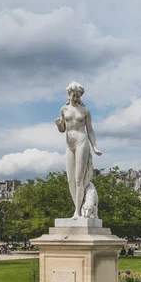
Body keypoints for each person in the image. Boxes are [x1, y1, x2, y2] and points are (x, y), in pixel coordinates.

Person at [55, 82, 102, 219]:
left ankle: (77, 211)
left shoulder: (85, 111)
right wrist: (59, 125)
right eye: (73, 95)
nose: (75, 97)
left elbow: (90, 130)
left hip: (82, 142)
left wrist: (94, 146)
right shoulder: (64, 109)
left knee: (78, 179)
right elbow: (63, 129)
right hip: (69, 144)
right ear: (69, 93)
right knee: (70, 179)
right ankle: (78, 207)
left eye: (78, 95)